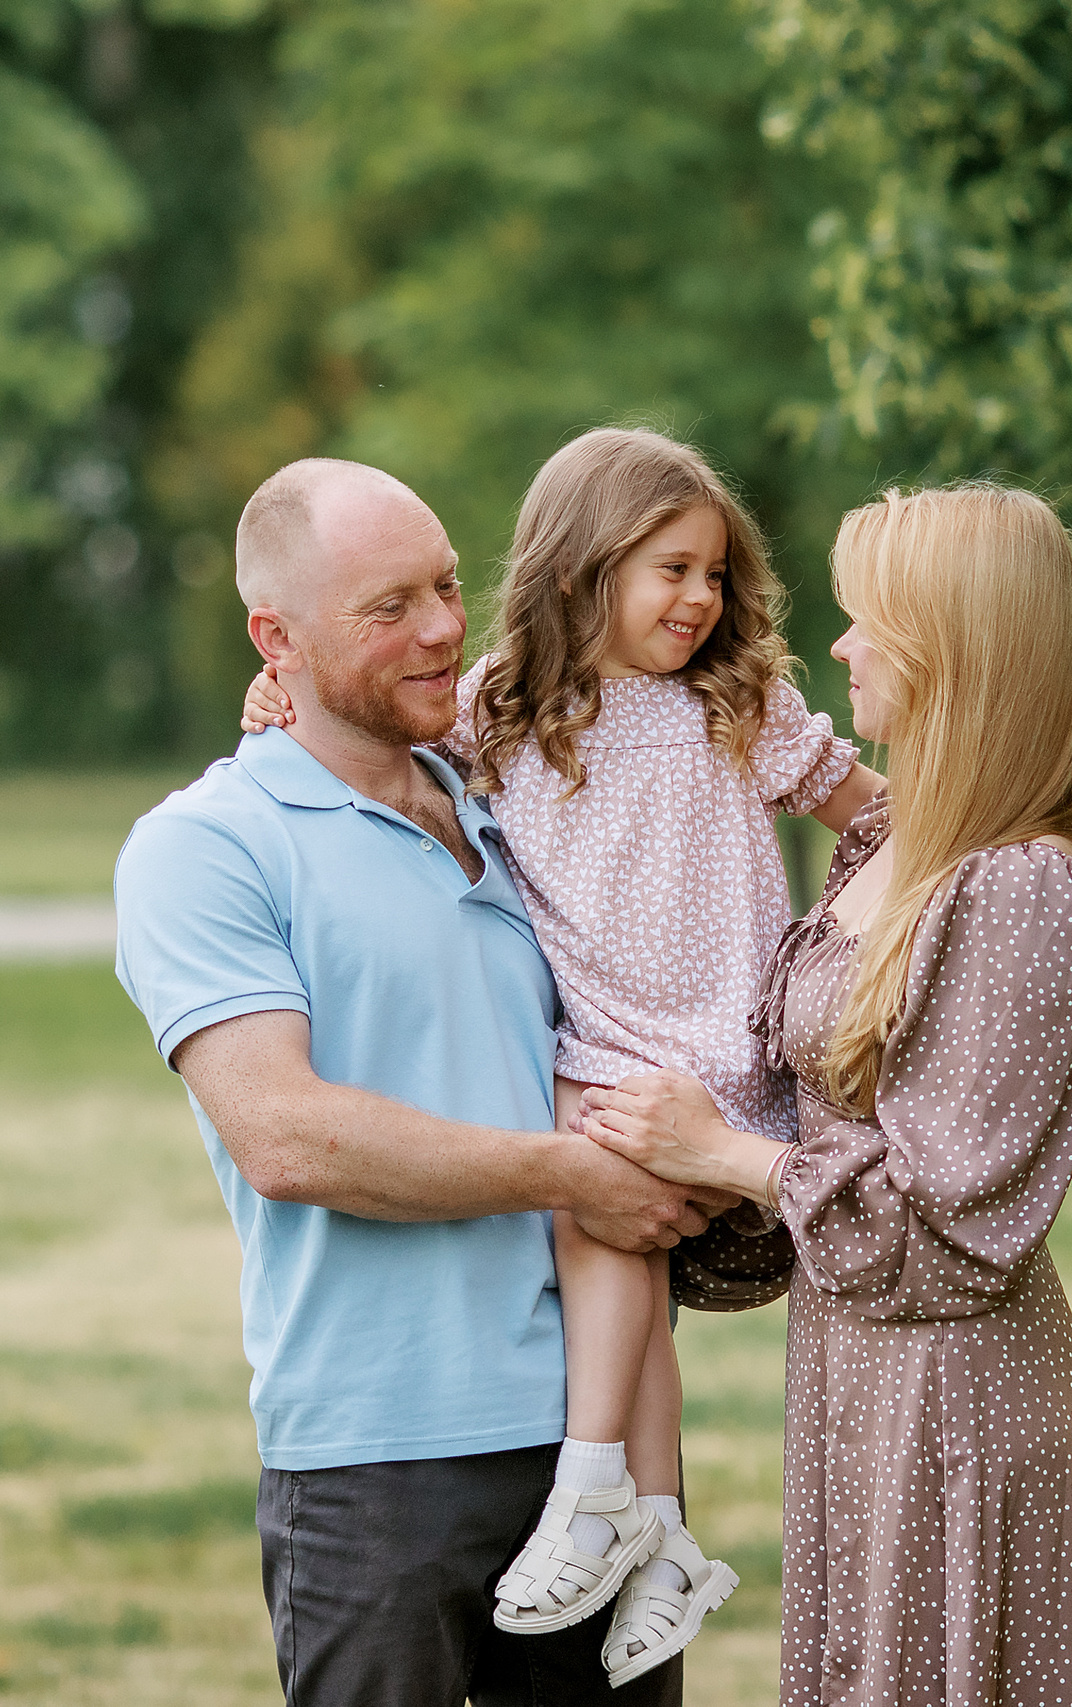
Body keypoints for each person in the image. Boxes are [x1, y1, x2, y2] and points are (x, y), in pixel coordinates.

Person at [241, 427, 881, 1684]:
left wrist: (935, 876)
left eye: (714, 577)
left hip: (709, 1053)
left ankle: (601, 1490)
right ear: (582, 569)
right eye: (669, 571)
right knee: (613, 1249)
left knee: (605, 1225)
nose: (699, 601)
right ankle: (653, 1534)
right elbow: (354, 735)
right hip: (600, 1040)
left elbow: (875, 811)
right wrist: (275, 698)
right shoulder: (500, 707)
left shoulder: (737, 705)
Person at [113, 456, 734, 1706]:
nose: (446, 627)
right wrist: (574, 1175)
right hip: (376, 1465)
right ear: (272, 639)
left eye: (448, 586)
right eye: (389, 607)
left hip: (589, 1466)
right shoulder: (207, 847)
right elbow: (285, 1137)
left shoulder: (521, 789)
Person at [579, 482, 1072, 1706]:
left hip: (958, 1399)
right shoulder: (891, 844)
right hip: (854, 1373)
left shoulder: (1022, 890)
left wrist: (724, 1157)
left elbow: (949, 1225)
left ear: (953, 653)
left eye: (867, 619)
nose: (838, 647)